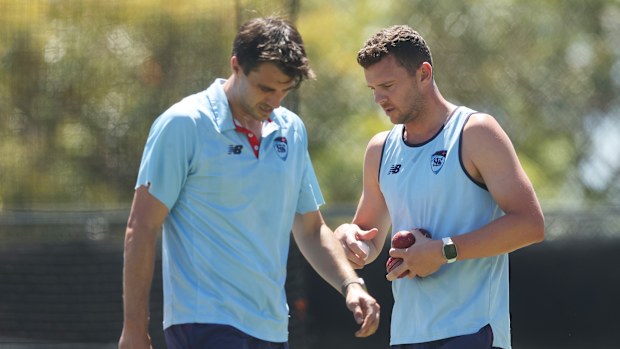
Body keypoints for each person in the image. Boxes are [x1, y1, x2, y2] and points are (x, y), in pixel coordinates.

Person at [118, 16, 380, 349]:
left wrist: (351, 284)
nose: (274, 102)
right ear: (236, 65)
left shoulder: (291, 130)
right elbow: (141, 226)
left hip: (271, 329)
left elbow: (311, 229)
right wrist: (134, 327)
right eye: (266, 88)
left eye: (284, 91)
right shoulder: (184, 124)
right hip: (204, 324)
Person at [334, 25, 545, 349]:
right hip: (406, 335)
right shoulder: (380, 149)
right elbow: (368, 239)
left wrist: (443, 251)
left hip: (473, 331)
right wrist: (349, 238)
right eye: (373, 88)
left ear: (424, 74)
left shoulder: (476, 132)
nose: (379, 98)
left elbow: (530, 224)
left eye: (388, 85)